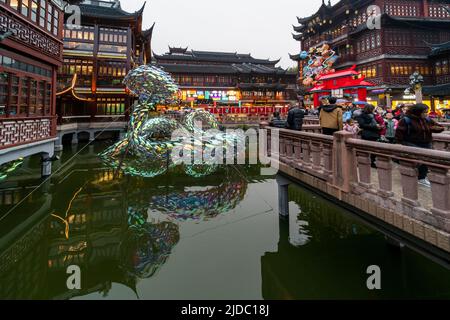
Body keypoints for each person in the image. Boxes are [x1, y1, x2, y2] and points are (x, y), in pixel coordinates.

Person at [395, 103, 445, 187]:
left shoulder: (427, 119)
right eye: (424, 112)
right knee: (418, 160)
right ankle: (409, 175)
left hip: (426, 143)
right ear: (418, 112)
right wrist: (399, 144)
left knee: (426, 161)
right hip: (411, 143)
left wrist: (435, 129)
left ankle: (421, 178)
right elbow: (399, 133)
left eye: (427, 112)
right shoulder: (406, 120)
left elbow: (440, 127)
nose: (426, 114)